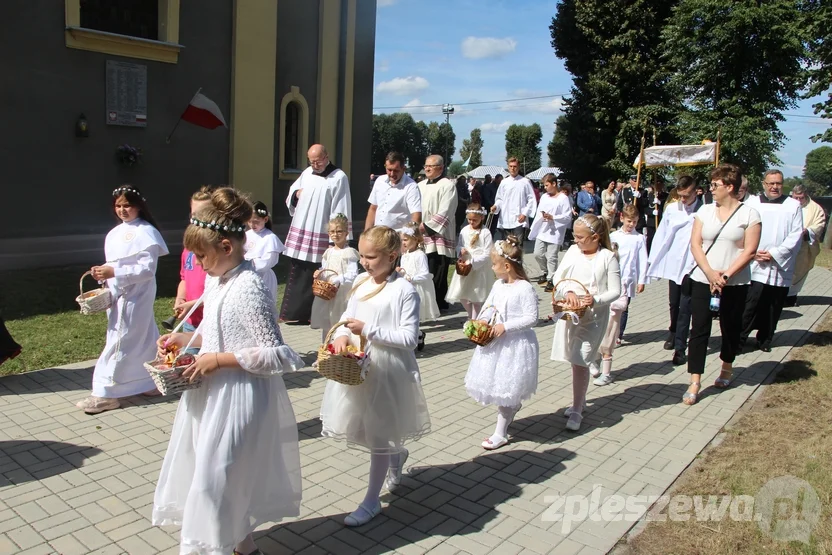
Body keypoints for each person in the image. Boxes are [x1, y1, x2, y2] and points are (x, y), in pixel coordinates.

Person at [153, 187, 303, 555]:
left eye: (201, 256)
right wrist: (185, 343)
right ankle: (244, 547)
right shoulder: (219, 281)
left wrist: (219, 360)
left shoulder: (249, 287)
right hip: (210, 394)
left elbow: (277, 355)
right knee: (214, 477)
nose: (199, 265)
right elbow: (218, 331)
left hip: (238, 397)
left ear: (226, 246)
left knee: (215, 481)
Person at [320, 226, 431, 527]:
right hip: (357, 364)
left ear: (392, 255)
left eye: (371, 257)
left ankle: (371, 501)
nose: (365, 263)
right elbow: (347, 318)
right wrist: (343, 334)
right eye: (363, 256)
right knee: (360, 429)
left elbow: (409, 337)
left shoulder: (404, 290)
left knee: (379, 432)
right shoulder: (359, 281)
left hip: (387, 369)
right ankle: (396, 456)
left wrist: (367, 329)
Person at [77, 185, 168, 414]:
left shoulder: (146, 231)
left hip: (136, 295)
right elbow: (116, 262)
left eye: (127, 205)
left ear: (138, 206)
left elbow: (147, 269)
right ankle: (146, 381)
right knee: (141, 336)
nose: (122, 210)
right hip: (117, 294)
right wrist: (103, 271)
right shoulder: (116, 232)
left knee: (122, 338)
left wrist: (115, 273)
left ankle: (107, 391)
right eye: (118, 205)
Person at [684, 164, 761, 405]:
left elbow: (750, 250)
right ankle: (695, 381)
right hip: (703, 280)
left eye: (715, 185)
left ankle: (726, 367)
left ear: (729, 187)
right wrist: (710, 273)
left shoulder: (749, 214)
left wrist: (725, 276)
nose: (711, 189)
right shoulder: (704, 211)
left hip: (734, 282)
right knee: (699, 330)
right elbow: (695, 244)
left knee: (731, 327)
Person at [464, 235, 539, 450]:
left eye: (494, 264)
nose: (492, 268)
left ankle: (500, 432)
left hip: (514, 346)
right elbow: (489, 307)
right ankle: (509, 411)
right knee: (500, 386)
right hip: (495, 343)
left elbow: (531, 318)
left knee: (507, 387)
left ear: (507, 266)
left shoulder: (524, 288)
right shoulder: (498, 285)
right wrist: (479, 322)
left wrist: (506, 327)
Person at [551, 215, 621, 431]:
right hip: (571, 313)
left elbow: (615, 290)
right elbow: (557, 278)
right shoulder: (573, 252)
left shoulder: (608, 257)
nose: (576, 241)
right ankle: (578, 400)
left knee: (580, 359)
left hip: (594, 317)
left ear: (595, 237)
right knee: (574, 359)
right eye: (575, 236)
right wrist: (568, 290)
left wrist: (597, 299)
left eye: (581, 237)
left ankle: (578, 409)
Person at [281, 144, 353, 325]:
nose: (315, 165)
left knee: (319, 273)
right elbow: (292, 192)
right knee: (299, 269)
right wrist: (296, 195)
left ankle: (315, 315)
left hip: (322, 232)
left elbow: (340, 207)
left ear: (326, 156)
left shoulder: (338, 177)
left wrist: (335, 238)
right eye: (311, 161)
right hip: (302, 230)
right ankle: (294, 313)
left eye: (318, 161)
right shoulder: (307, 173)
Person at [739, 169, 803, 353]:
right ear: (764, 184)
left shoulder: (793, 205)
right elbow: (742, 228)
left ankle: (765, 339)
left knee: (773, 305)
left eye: (778, 183)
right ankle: (740, 340)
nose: (775, 187)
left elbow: (796, 234)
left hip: (779, 264)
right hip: (755, 262)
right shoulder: (751, 203)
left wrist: (775, 253)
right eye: (771, 183)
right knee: (750, 304)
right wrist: (752, 252)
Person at [646, 176, 704, 366]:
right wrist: (653, 261)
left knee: (686, 307)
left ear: (696, 191)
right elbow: (662, 235)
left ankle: (680, 348)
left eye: (687, 196)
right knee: (674, 303)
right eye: (680, 196)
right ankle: (673, 331)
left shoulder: (705, 211)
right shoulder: (672, 209)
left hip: (692, 265)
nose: (683, 200)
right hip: (674, 264)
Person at [174, 186, 214, 354]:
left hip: (211, 322)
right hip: (191, 321)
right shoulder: (188, 247)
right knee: (189, 369)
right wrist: (181, 298)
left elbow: (222, 290)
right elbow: (184, 278)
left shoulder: (217, 249)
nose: (196, 219)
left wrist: (195, 304)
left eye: (202, 213)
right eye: (193, 214)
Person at [310, 214, 360, 345]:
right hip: (328, 293)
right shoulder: (328, 252)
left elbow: (353, 273)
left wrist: (339, 279)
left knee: (340, 322)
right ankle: (326, 350)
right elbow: (325, 269)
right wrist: (319, 274)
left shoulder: (349, 252)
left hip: (342, 294)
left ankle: (340, 351)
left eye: (339, 231)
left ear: (346, 233)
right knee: (327, 323)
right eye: (332, 231)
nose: (335, 234)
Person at [418, 155, 458, 310]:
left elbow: (446, 210)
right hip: (421, 235)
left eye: (431, 166)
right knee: (425, 269)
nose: (427, 168)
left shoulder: (447, 185)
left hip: (439, 234)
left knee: (438, 269)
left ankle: (439, 303)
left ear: (440, 168)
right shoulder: (420, 185)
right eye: (426, 165)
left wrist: (426, 227)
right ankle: (427, 303)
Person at [447, 203, 495, 320]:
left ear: (482, 218)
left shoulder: (485, 232)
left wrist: (473, 263)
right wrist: (460, 250)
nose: (471, 222)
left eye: (475, 220)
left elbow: (487, 253)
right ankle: (470, 314)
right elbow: (460, 245)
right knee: (462, 294)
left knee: (476, 297)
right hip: (465, 266)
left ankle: (474, 320)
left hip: (479, 268)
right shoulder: (464, 230)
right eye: (469, 219)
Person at [398, 222, 440, 350]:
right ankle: (418, 335)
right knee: (405, 316)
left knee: (414, 316)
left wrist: (412, 278)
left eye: (406, 240)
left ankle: (415, 337)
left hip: (417, 289)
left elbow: (425, 274)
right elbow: (404, 270)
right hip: (405, 289)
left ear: (415, 239)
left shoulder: (420, 255)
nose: (403, 243)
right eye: (402, 240)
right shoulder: (404, 255)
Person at [529, 174, 573, 292]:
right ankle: (544, 271)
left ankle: (552, 278)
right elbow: (539, 211)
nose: (545, 188)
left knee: (552, 256)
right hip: (543, 229)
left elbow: (567, 216)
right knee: (537, 253)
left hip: (555, 232)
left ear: (554, 184)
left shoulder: (563, 198)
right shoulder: (544, 197)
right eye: (544, 185)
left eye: (547, 185)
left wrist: (553, 217)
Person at [788, 185, 827, 305]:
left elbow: (819, 225)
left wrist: (808, 231)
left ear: (806, 195)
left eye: (801, 198)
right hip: (787, 245)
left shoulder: (815, 209)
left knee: (798, 271)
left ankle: (791, 297)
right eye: (796, 198)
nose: (798, 201)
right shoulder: (787, 204)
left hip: (803, 247)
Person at [366, 151, 421, 231]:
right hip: (377, 235)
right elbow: (373, 209)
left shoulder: (411, 187)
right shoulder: (379, 181)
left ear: (403, 169)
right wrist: (366, 233)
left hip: (397, 237)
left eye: (396, 170)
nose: (392, 174)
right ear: (385, 166)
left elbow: (416, 216)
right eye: (389, 170)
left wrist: (410, 238)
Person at [245, 201, 285, 309]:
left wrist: (249, 263)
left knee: (263, 307)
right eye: (249, 221)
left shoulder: (270, 238)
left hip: (263, 277)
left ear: (265, 219)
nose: (252, 225)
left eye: (256, 221)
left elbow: (267, 262)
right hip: (245, 276)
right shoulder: (245, 235)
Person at [490, 158, 537, 240]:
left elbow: (531, 199)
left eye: (515, 166)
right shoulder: (504, 182)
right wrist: (496, 206)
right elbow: (500, 198)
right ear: (508, 167)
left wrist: (525, 213)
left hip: (519, 218)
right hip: (506, 217)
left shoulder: (525, 182)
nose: (512, 168)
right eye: (510, 166)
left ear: (518, 167)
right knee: (506, 246)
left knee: (517, 246)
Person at [639, 178, 668, 252]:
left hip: (661, 221)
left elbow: (667, 209)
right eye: (656, 183)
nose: (658, 185)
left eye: (660, 183)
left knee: (661, 240)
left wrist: (660, 204)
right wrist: (652, 212)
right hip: (651, 222)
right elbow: (644, 208)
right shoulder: (649, 195)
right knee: (650, 241)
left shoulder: (666, 196)